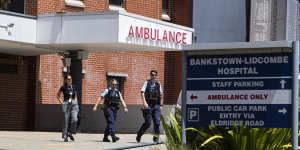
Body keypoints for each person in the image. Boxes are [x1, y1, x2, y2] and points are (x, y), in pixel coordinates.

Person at [136, 70, 163, 143]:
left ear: (156, 76)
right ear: (150, 75)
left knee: (157, 122)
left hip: (156, 105)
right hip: (148, 105)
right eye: (152, 75)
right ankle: (139, 134)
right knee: (148, 122)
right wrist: (144, 102)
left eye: (155, 75)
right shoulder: (146, 83)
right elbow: (142, 92)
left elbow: (160, 95)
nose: (153, 76)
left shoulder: (158, 84)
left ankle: (156, 137)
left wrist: (160, 105)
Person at [57, 75, 79, 142]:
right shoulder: (63, 87)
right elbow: (58, 95)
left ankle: (70, 133)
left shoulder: (74, 87)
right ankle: (65, 136)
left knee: (75, 119)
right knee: (65, 121)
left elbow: (75, 95)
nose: (70, 80)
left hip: (73, 104)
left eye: (70, 79)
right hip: (66, 103)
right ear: (66, 80)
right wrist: (62, 103)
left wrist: (76, 102)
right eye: (68, 79)